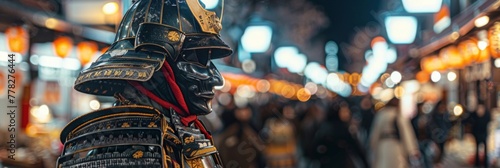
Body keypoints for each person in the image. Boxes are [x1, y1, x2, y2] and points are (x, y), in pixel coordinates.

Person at [56, 0, 233, 167]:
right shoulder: (131, 142)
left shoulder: (182, 129)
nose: (217, 78)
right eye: (199, 60)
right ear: (158, 67)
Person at [312, 100, 370, 168]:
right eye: (344, 111)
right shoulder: (341, 129)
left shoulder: (324, 126)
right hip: (339, 163)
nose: (347, 114)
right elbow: (356, 148)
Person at [369, 98, 420, 168]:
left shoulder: (381, 114)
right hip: (396, 146)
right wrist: (411, 149)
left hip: (383, 145)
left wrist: (373, 146)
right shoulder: (399, 115)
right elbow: (406, 133)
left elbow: (375, 132)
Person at [468, 102, 491, 167]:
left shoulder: (486, 115)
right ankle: (477, 163)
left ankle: (485, 163)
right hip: (477, 133)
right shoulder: (475, 115)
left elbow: (488, 122)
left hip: (484, 133)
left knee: (486, 149)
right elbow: (471, 121)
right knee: (477, 148)